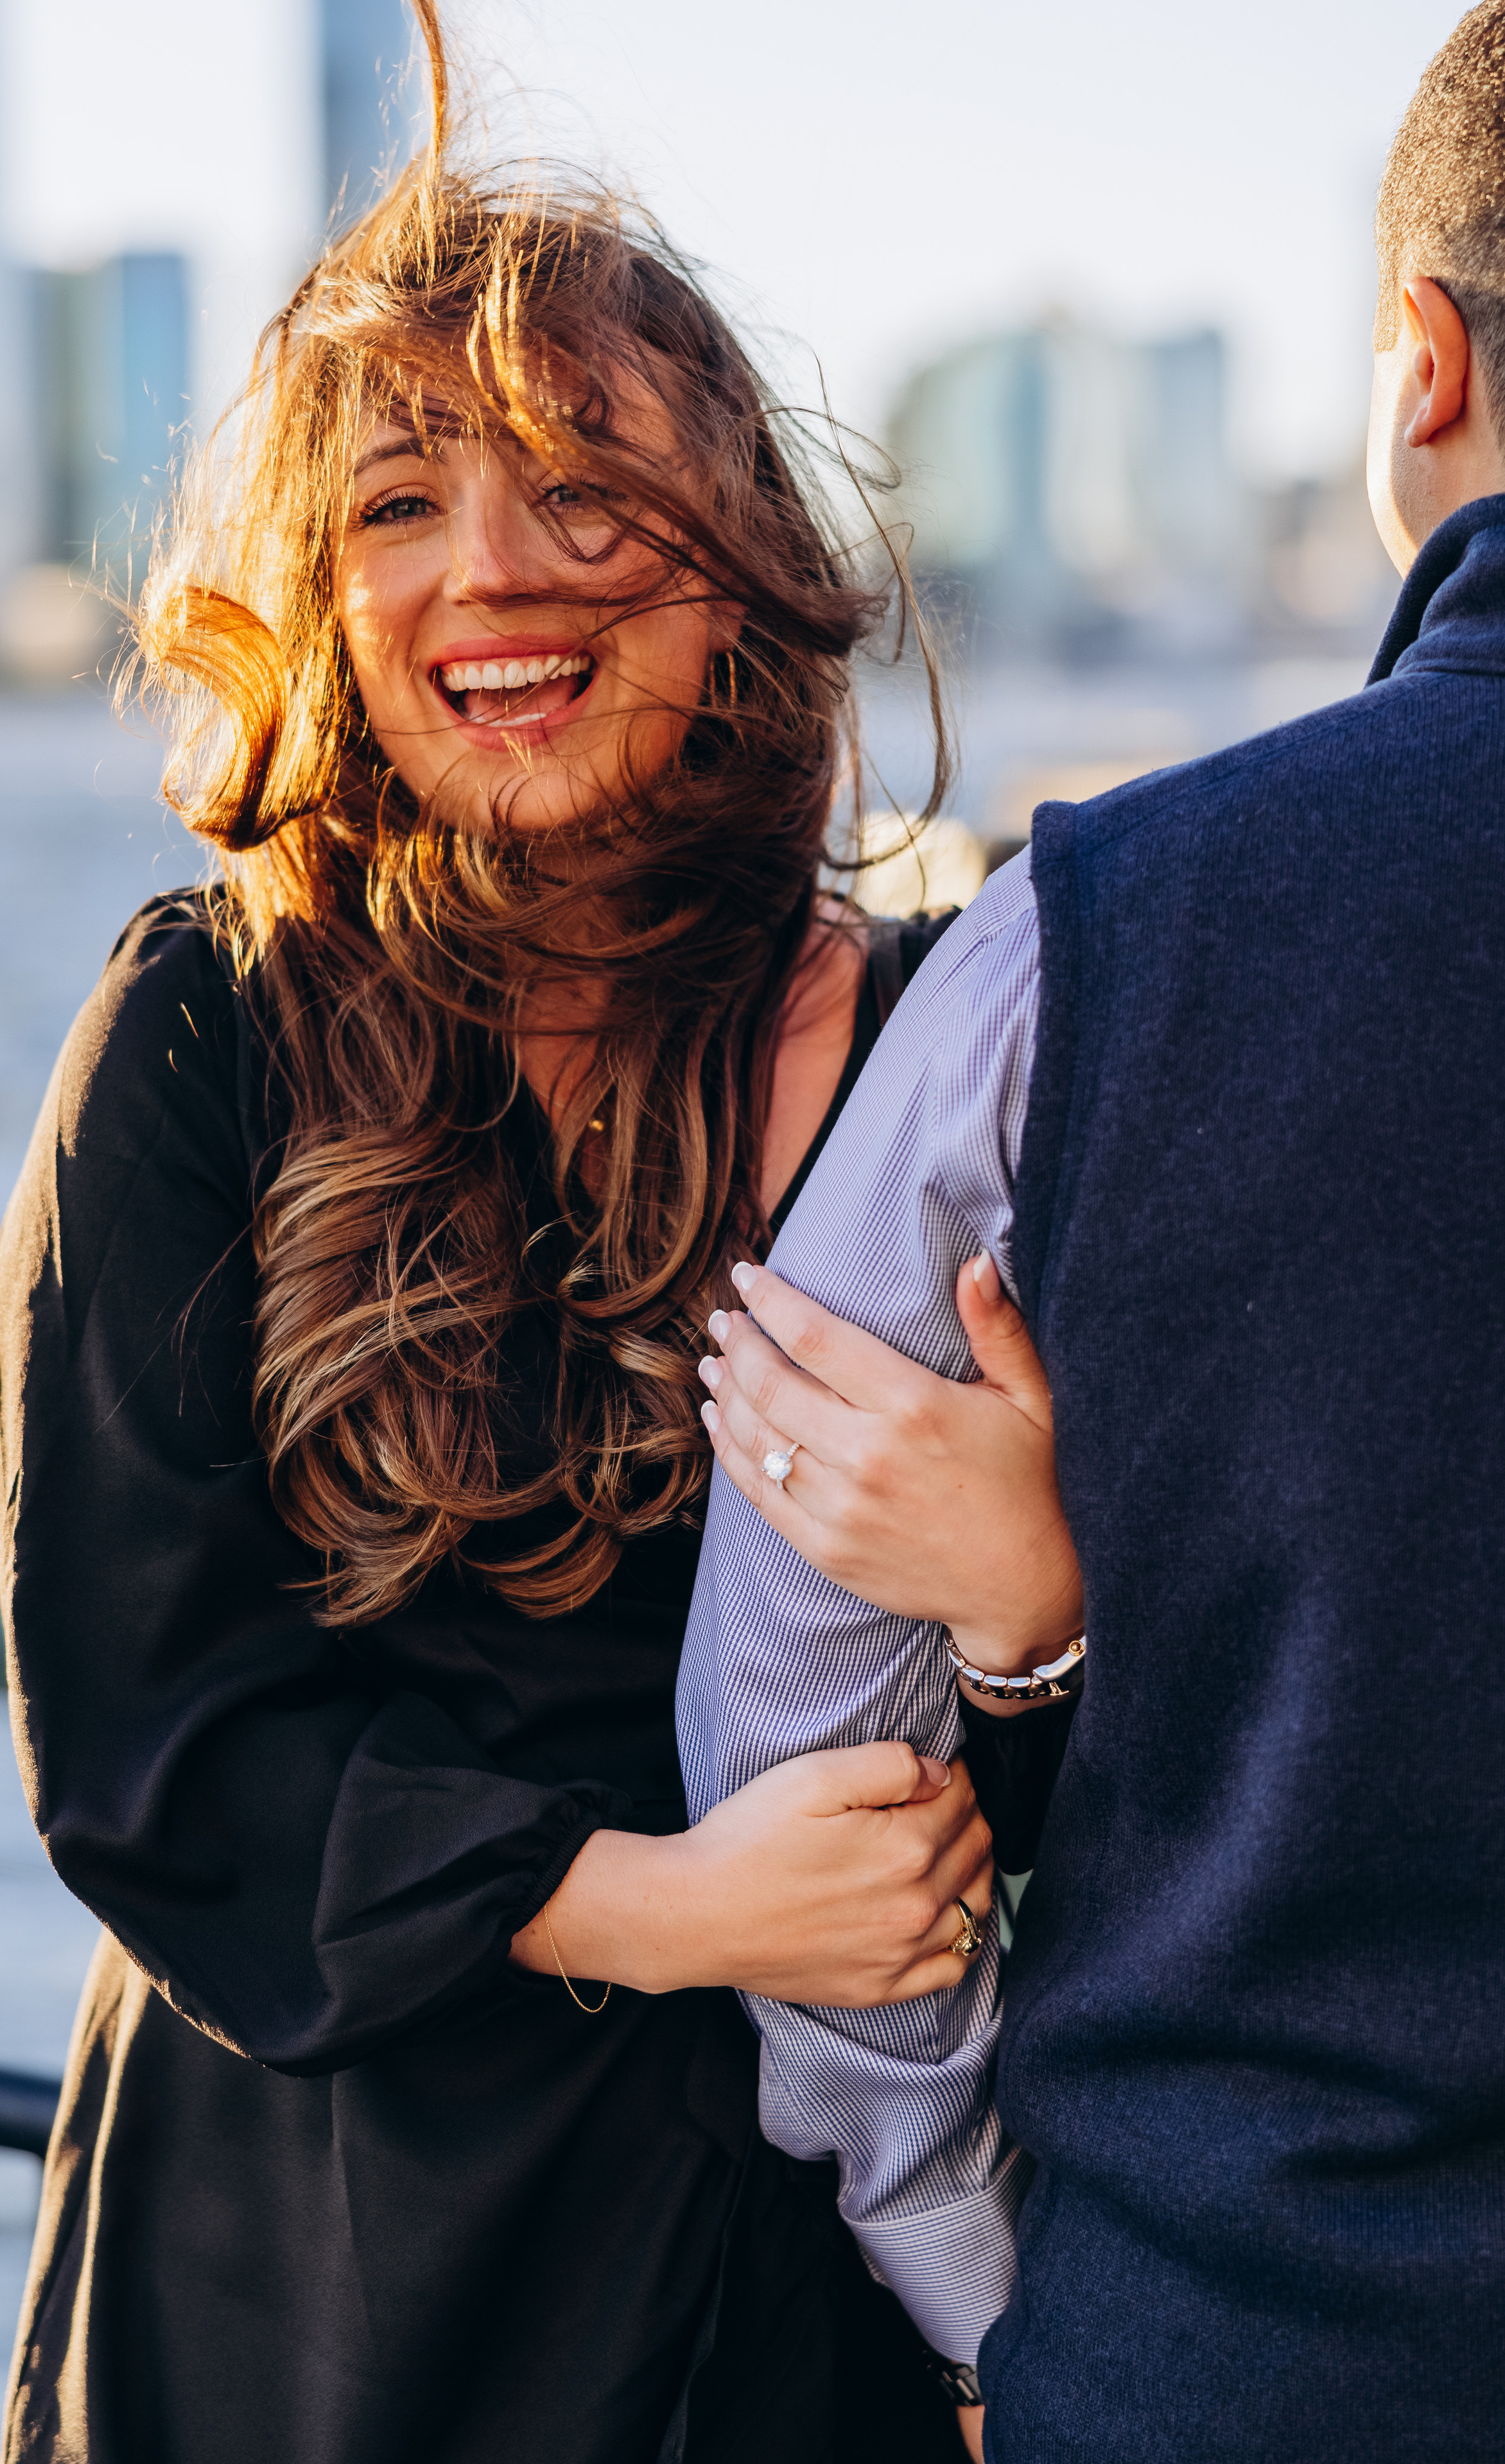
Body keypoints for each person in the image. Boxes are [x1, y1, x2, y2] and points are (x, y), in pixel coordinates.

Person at [0, 11, 1077, 2460]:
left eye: (584, 484)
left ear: (741, 564)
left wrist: (1032, 1603)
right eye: (399, 501)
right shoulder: (204, 1037)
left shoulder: (949, 1059)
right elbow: (153, 1745)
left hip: (784, 2314)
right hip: (316, 2300)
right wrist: (671, 1908)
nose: (488, 567)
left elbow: (1162, 1777)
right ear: (324, 597)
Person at [680, 9, 1505, 2460]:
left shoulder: (1111, 929)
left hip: (1244, 2357)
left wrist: (976, 2285)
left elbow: (792, 1699)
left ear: (1422, 365)